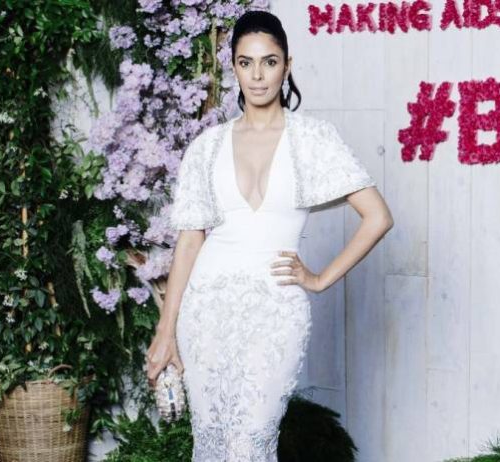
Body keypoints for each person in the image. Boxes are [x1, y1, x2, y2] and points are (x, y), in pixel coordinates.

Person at [145, 10, 394, 461]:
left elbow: (377, 216)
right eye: (246, 63)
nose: (257, 76)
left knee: (251, 443)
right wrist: (166, 331)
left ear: (287, 65)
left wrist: (319, 279)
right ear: (233, 68)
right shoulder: (207, 146)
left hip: (276, 313)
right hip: (205, 311)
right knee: (211, 442)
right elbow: (189, 242)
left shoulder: (313, 138)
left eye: (269, 62)